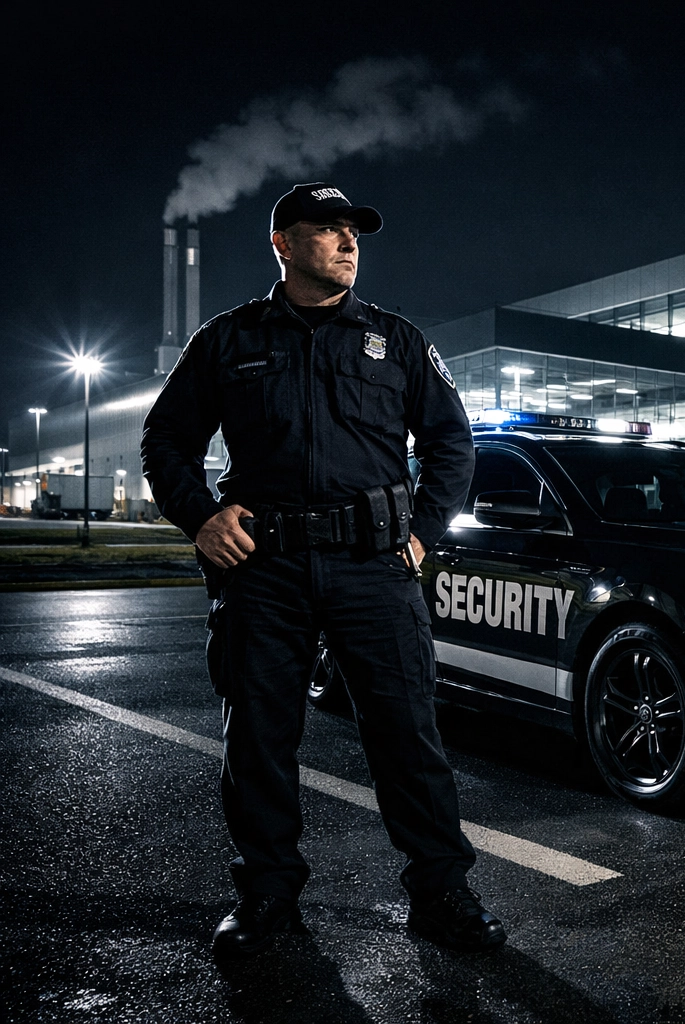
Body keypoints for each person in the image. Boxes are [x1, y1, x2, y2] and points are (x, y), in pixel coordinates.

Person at [142, 182, 504, 958]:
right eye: (327, 229)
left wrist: (422, 534)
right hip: (263, 569)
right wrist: (201, 517)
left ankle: (441, 892)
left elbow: (452, 445)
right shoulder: (228, 340)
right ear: (282, 243)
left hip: (373, 566)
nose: (348, 243)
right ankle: (267, 896)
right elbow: (165, 440)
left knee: (408, 735)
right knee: (260, 741)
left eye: (353, 232)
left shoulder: (395, 340)